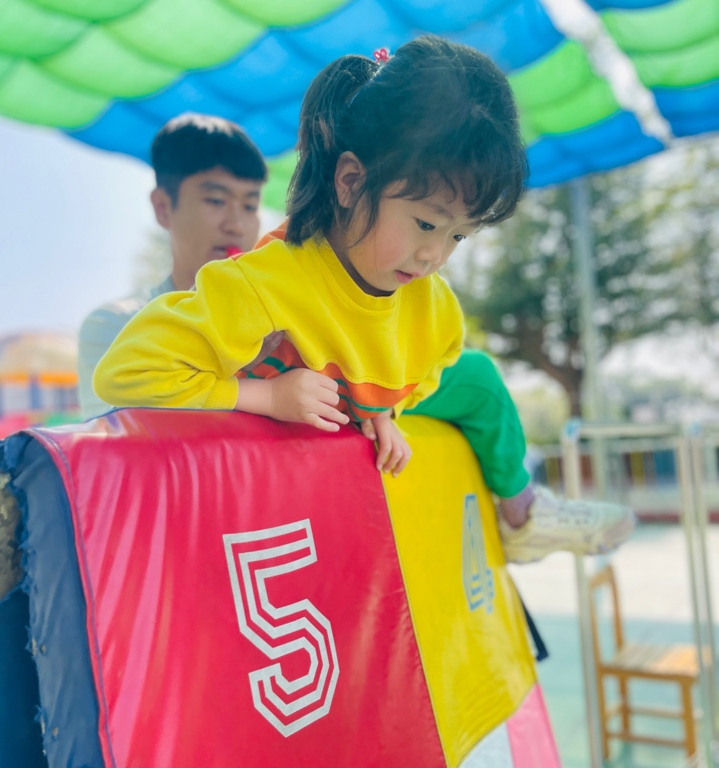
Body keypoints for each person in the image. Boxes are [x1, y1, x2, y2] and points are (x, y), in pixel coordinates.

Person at [93, 39, 634, 563]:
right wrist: (266, 396)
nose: (434, 256)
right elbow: (125, 374)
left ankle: (525, 516)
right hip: (245, 505)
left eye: (458, 236)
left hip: (349, 414)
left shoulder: (431, 304)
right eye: (426, 223)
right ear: (351, 181)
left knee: (478, 379)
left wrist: (382, 413)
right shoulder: (262, 284)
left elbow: (431, 366)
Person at [77, 115, 268, 419]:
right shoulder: (117, 326)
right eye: (216, 200)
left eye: (249, 206)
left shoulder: (277, 322)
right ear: (163, 208)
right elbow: (124, 433)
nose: (237, 225)